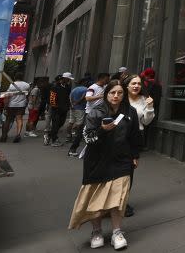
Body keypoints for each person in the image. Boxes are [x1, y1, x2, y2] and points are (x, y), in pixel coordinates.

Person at [67, 80, 141, 250]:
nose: (116, 96)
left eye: (120, 93)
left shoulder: (130, 112)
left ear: (124, 95)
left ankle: (117, 232)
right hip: (97, 161)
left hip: (122, 160)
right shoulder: (96, 113)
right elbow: (88, 138)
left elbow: (135, 136)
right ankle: (97, 231)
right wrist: (102, 130)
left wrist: (135, 155)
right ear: (106, 94)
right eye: (112, 92)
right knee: (96, 198)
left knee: (118, 198)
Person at [122, 74, 155, 217]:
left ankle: (123, 202)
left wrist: (150, 107)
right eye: (133, 83)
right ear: (127, 85)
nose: (136, 86)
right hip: (118, 138)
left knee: (129, 172)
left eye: (139, 84)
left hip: (134, 139)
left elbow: (146, 122)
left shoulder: (144, 100)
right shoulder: (120, 97)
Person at [47, 72, 75, 147]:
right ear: (65, 78)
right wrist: (54, 106)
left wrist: (69, 105)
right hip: (56, 109)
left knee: (61, 123)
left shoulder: (68, 87)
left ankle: (49, 135)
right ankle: (54, 140)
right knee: (55, 124)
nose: (69, 80)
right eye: (68, 79)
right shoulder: (55, 87)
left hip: (64, 108)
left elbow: (68, 97)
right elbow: (52, 98)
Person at [0, 78, 31, 143]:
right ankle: (18, 134)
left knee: (8, 120)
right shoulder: (27, 85)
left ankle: (4, 136)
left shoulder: (11, 85)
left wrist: (5, 106)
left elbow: (7, 96)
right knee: (19, 119)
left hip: (11, 105)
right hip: (21, 105)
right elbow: (28, 95)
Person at [139, 68, 162, 146]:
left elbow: (156, 99)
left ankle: (144, 144)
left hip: (149, 108)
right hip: (143, 107)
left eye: (146, 76)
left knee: (146, 127)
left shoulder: (156, 85)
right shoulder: (144, 83)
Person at [67, 78, 89, 157]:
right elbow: (84, 98)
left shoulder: (74, 89)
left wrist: (72, 104)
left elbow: (70, 97)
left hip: (73, 108)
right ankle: (74, 133)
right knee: (79, 124)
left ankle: (68, 135)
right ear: (84, 82)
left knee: (71, 122)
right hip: (80, 108)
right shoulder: (86, 89)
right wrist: (77, 103)